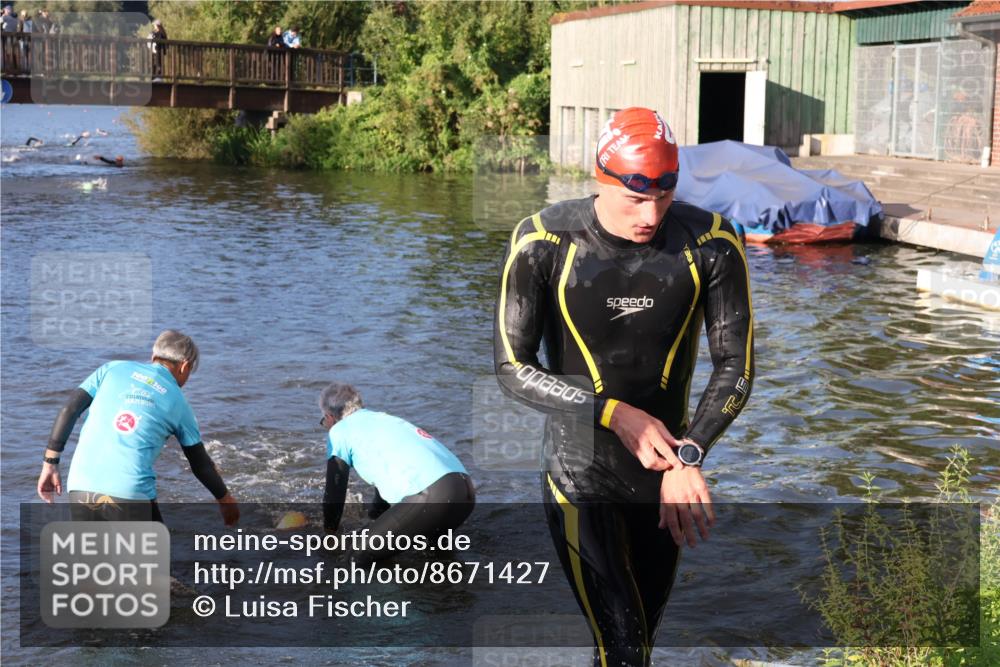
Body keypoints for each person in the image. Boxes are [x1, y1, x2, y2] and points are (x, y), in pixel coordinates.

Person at [494, 107, 754, 666]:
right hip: (579, 469)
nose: (650, 214)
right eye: (635, 198)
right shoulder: (543, 241)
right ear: (600, 178)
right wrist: (616, 414)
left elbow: (736, 365)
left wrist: (690, 454)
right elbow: (513, 368)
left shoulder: (710, 242)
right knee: (627, 648)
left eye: (663, 196)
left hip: (664, 475)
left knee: (629, 647)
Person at [36, 330, 239, 526]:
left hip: (81, 485)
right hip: (130, 493)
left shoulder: (111, 369)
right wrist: (226, 501)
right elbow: (200, 464)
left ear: (154, 356)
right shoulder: (179, 403)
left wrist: (50, 463)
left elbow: (69, 409)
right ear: (184, 366)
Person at [318, 383, 474, 562]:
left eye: (324, 421)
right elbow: (388, 476)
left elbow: (334, 494)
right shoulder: (384, 420)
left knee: (357, 556)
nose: (326, 426)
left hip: (432, 495)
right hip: (464, 492)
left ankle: (373, 591)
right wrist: (375, 521)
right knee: (434, 560)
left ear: (330, 417)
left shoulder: (340, 430)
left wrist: (329, 535)